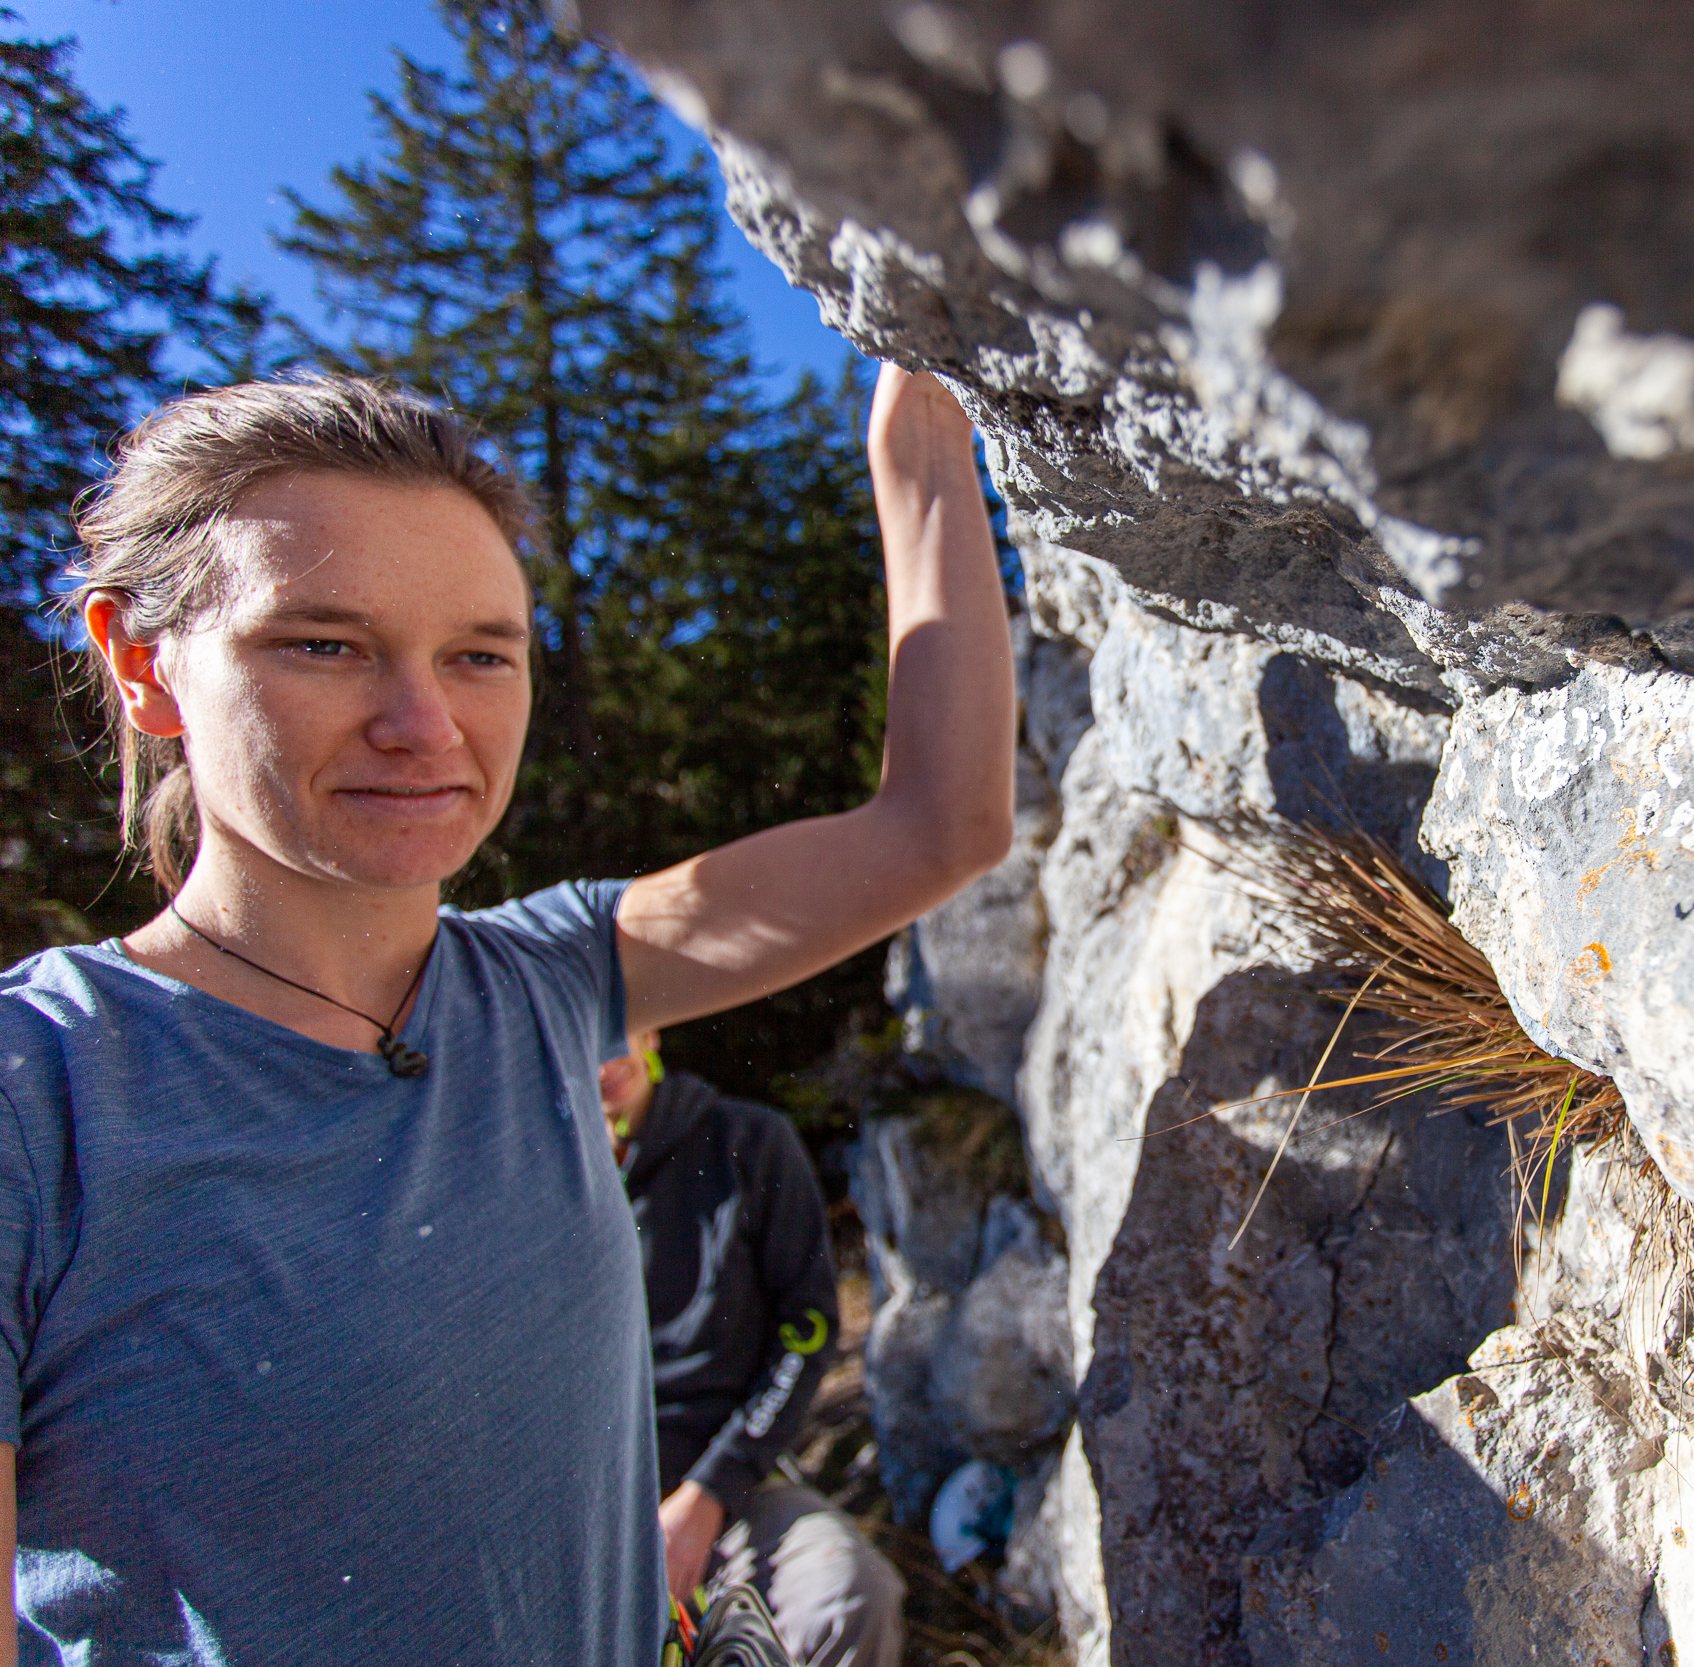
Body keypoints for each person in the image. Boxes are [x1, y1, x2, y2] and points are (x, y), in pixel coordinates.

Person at [0, 365, 1013, 1663]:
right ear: (141, 663)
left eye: (481, 652)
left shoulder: (550, 976)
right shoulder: (41, 1092)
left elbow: (941, 825)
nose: (424, 723)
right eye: (325, 642)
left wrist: (922, 419)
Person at [600, 1029, 903, 1666]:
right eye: (573, 1038)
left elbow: (808, 1329)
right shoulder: (535, 1182)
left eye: (611, 1030)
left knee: (848, 1596)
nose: (600, 1060)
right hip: (586, 1512)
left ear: (650, 1030)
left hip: (725, 1488)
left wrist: (710, 1492)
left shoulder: (748, 1144)